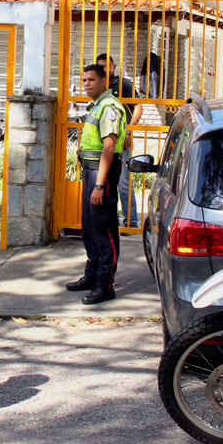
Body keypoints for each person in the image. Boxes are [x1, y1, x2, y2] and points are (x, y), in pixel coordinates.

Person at [66, 63, 127, 305]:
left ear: (104, 80)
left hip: (103, 176)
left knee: (104, 231)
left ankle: (105, 285)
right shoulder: (97, 105)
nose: (86, 83)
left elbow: (109, 148)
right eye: (84, 80)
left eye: (91, 79)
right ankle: (92, 276)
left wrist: (100, 185)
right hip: (91, 174)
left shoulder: (110, 107)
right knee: (89, 228)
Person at [95, 53, 143, 228]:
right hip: (102, 142)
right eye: (101, 66)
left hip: (121, 141)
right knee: (105, 181)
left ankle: (131, 222)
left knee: (123, 183)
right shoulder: (97, 85)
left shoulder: (124, 84)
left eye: (107, 65)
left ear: (114, 67)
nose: (105, 69)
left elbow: (138, 107)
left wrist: (129, 131)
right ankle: (111, 220)